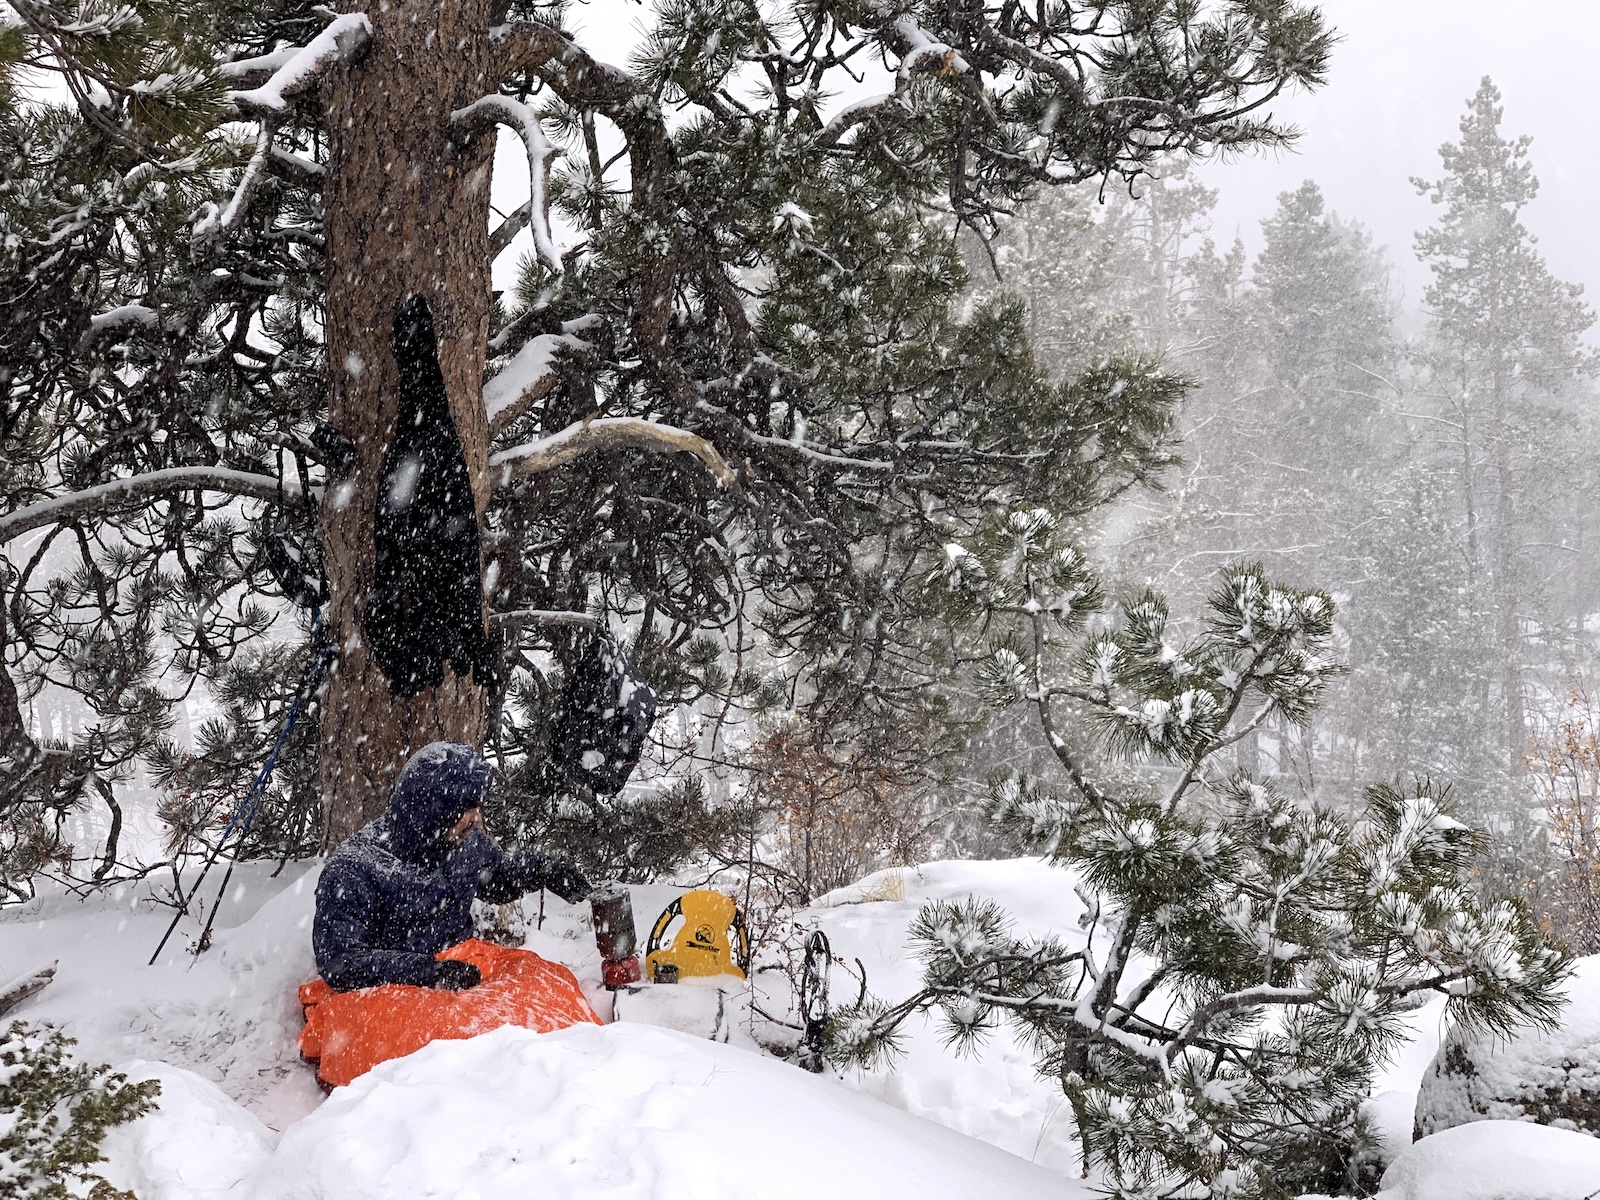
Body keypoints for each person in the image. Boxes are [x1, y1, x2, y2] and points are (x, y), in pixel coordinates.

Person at [313, 740, 591, 992]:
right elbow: (340, 962)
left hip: (463, 969)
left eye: (479, 807)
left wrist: (544, 871)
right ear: (432, 810)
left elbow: (495, 879)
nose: (477, 819)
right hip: (390, 993)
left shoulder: (463, 844)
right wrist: (428, 972)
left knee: (545, 993)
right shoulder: (355, 868)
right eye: (466, 809)